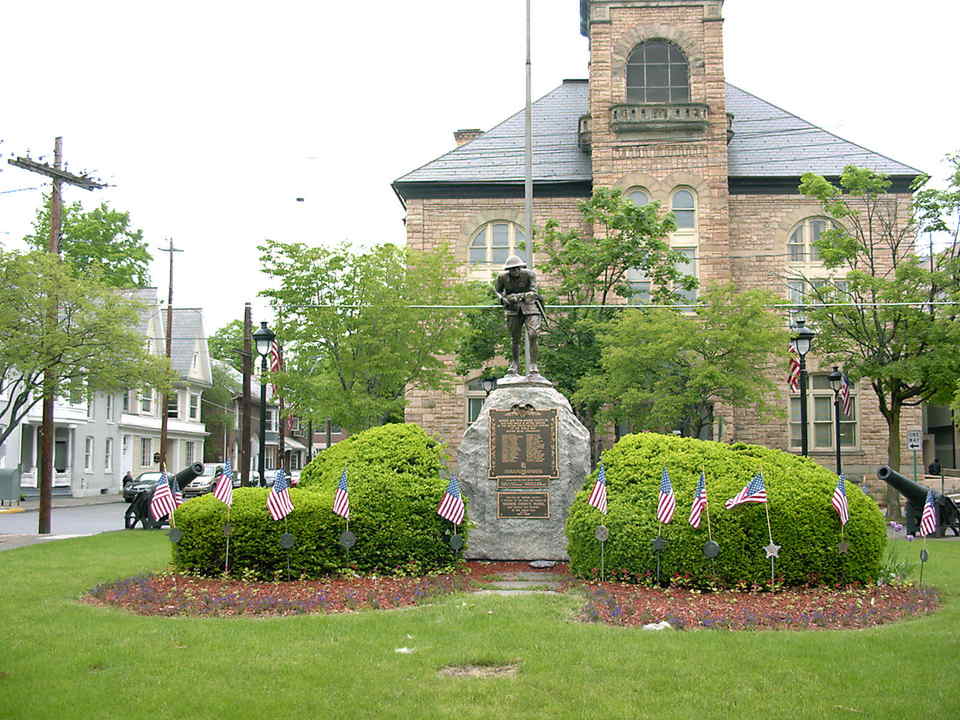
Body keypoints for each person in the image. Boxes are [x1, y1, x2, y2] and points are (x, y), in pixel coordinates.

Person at [494, 255, 544, 377]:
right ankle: (515, 364)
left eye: (517, 268)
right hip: (513, 309)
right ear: (508, 270)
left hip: (529, 306)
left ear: (521, 268)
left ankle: (533, 364)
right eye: (512, 269)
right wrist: (503, 299)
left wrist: (520, 296)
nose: (515, 271)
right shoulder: (502, 277)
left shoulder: (529, 274)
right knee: (515, 338)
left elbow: (533, 292)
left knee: (533, 334)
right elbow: (497, 291)